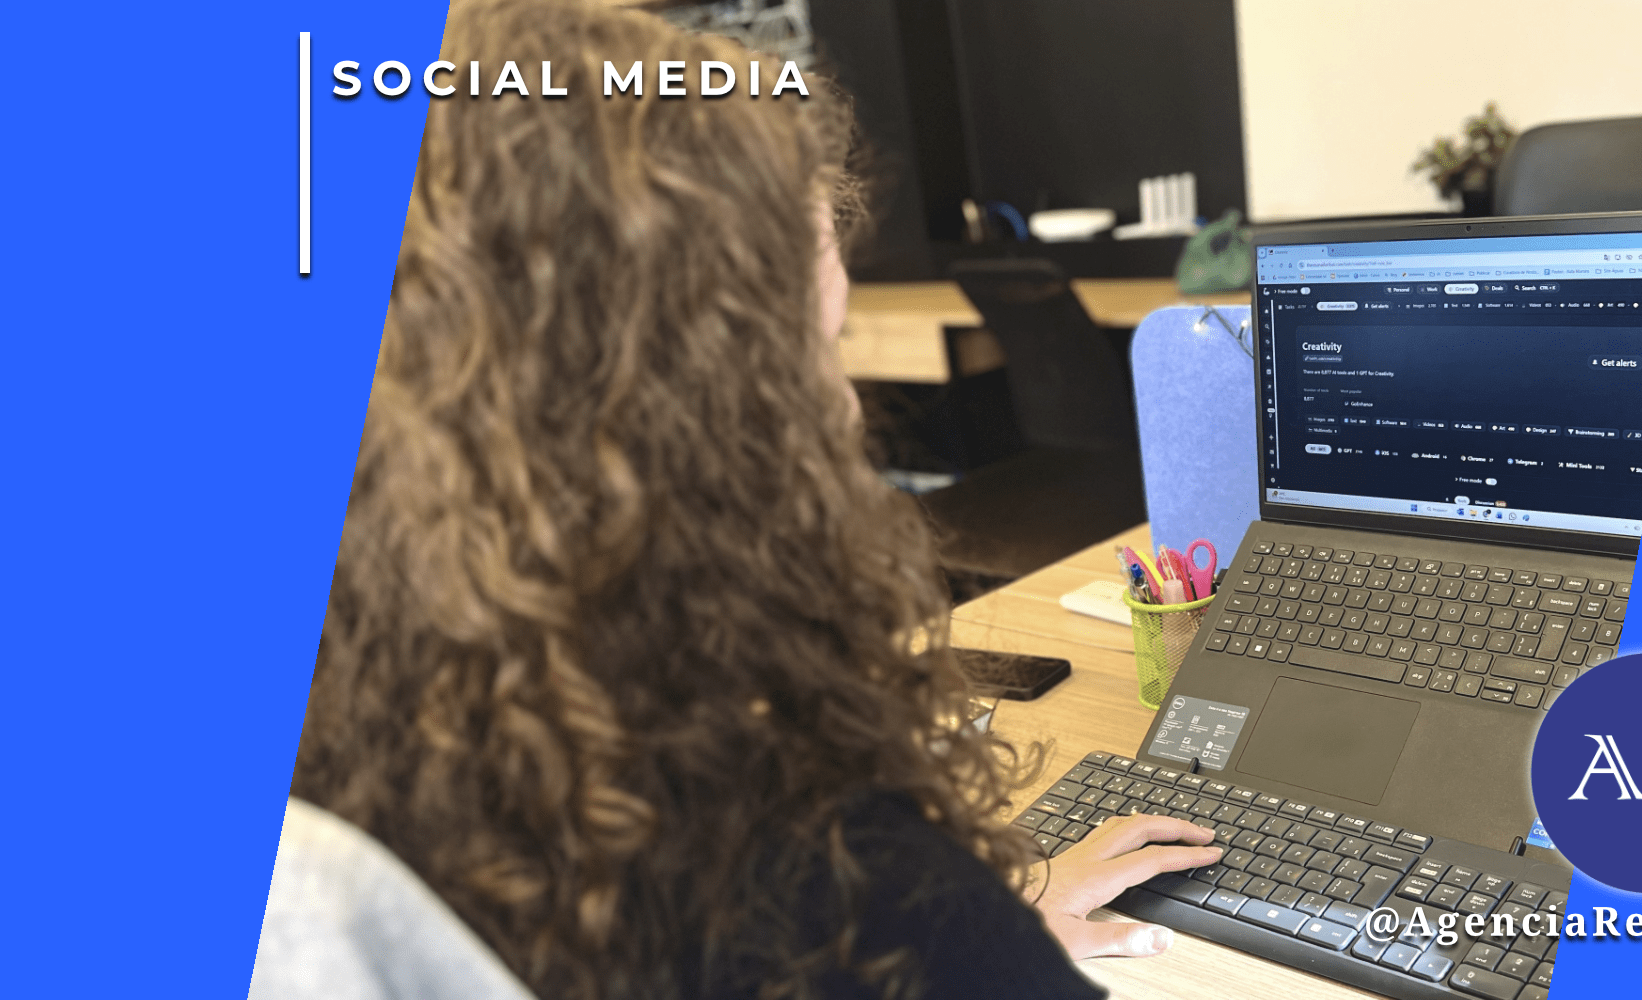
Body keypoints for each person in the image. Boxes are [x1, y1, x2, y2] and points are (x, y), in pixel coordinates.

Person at [286, 1, 1222, 998]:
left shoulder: (344, 783)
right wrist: (964, 938)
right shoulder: (825, 888)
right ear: (680, 418)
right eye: (814, 353)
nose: (845, 408)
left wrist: (994, 921)